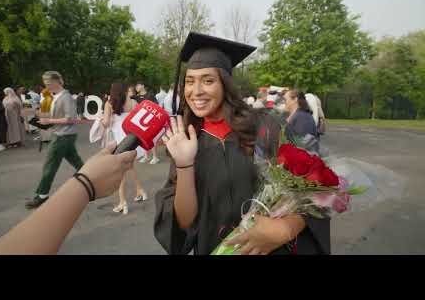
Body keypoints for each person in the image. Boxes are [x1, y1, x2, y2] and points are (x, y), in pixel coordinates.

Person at [154, 32, 330, 255]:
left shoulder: (266, 126)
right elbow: (184, 224)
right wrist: (184, 164)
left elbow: (317, 184)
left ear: (225, 84)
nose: (196, 91)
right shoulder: (188, 138)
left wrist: (285, 228)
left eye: (208, 80)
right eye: (189, 81)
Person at [0, 142, 136, 255]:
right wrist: (86, 182)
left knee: (52, 165)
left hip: (63, 138)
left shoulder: (64, 99)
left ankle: (43, 192)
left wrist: (86, 181)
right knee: (69, 163)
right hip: (63, 142)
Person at [25, 71, 84, 209]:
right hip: (63, 134)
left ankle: (42, 195)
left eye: (49, 83)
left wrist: (49, 120)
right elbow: (57, 115)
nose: (47, 86)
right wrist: (35, 114)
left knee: (49, 165)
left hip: (63, 135)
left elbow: (70, 119)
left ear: (58, 81)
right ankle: (91, 177)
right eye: (45, 84)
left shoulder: (66, 97)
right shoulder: (56, 96)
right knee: (75, 160)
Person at [100, 83, 148, 215]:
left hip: (120, 140)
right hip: (132, 137)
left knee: (120, 170)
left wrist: (100, 120)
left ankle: (122, 202)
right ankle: (140, 191)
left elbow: (105, 123)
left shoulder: (109, 104)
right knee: (130, 166)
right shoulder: (133, 102)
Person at [134, 82, 160, 165]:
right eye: (136, 86)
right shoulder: (136, 97)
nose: (136, 87)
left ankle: (155, 157)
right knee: (142, 138)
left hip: (150, 119)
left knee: (151, 138)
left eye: (138, 85)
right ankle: (146, 156)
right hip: (140, 120)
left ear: (142, 85)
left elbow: (157, 106)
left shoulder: (150, 95)